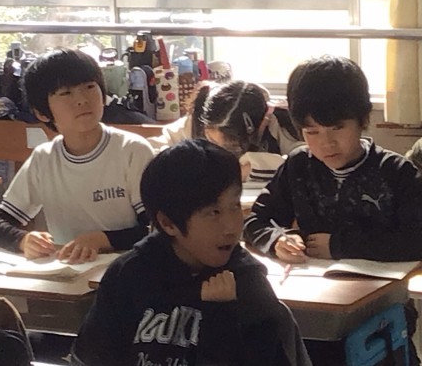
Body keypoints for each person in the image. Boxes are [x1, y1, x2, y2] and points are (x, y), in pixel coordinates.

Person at [72, 139, 311, 366]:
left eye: (235, 206)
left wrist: (221, 313)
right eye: (213, 213)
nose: (231, 227)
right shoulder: (129, 275)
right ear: (168, 223)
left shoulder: (246, 283)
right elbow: (94, 356)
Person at [243, 56, 422, 262]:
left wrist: (340, 246)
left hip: (381, 280)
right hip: (314, 278)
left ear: (363, 120)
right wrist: (278, 239)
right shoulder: (298, 165)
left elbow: (416, 240)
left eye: (337, 128)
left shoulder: (397, 172)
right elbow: (256, 220)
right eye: (312, 132)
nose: (327, 143)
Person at [0, 48, 155, 263]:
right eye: (66, 93)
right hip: (68, 273)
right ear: (41, 112)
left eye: (89, 87)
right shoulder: (44, 159)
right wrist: (23, 240)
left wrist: (101, 240)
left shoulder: (132, 151)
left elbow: (155, 230)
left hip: (126, 270)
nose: (82, 99)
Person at [149, 80, 303, 182]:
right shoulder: (196, 123)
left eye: (232, 147)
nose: (220, 150)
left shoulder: (280, 125)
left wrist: (249, 167)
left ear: (262, 124)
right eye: (212, 141)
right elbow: (153, 152)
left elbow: (303, 163)